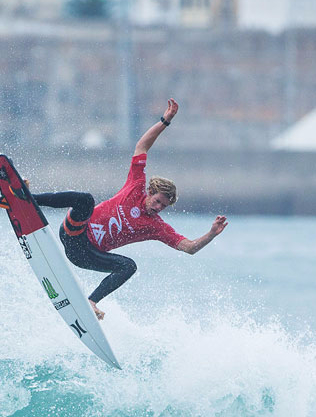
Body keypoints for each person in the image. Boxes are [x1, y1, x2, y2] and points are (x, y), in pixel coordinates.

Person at [29, 98, 228, 320]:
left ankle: (91, 302)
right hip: (74, 232)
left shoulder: (156, 227)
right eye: (158, 201)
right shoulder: (135, 186)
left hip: (86, 256)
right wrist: (165, 120)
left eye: (164, 206)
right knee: (85, 199)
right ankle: (29, 199)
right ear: (150, 191)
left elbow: (189, 248)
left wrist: (211, 234)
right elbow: (142, 146)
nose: (159, 207)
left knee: (129, 266)